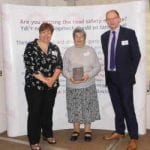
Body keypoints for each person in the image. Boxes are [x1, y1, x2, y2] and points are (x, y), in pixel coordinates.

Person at [101, 10, 141, 150]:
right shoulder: (104, 36)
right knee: (118, 108)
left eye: (114, 18)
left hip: (125, 79)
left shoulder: (129, 33)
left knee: (128, 108)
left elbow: (136, 55)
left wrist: (129, 74)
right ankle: (119, 131)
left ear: (119, 19)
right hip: (111, 78)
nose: (111, 21)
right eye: (108, 19)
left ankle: (134, 137)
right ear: (106, 21)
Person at [24, 22, 63, 150]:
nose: (46, 35)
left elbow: (59, 66)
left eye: (49, 32)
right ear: (39, 33)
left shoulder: (54, 47)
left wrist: (52, 80)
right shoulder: (31, 46)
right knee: (34, 112)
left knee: (47, 111)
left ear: (51, 34)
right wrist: (46, 81)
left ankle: (47, 134)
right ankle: (34, 140)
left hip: (51, 86)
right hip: (34, 86)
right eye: (44, 32)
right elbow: (31, 66)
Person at [63, 27, 101, 142]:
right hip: (72, 86)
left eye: (81, 36)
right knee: (75, 108)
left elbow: (97, 67)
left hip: (88, 85)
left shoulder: (91, 50)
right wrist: (70, 77)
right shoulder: (68, 51)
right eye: (76, 36)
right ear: (73, 38)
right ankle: (76, 130)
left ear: (85, 38)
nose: (79, 38)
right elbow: (64, 69)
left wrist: (88, 75)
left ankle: (88, 130)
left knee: (87, 108)